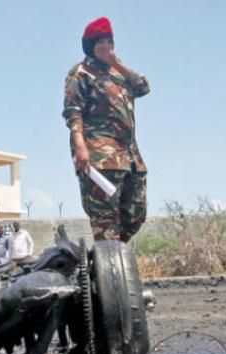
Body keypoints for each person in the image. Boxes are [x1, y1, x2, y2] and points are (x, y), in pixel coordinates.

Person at [63, 17, 150, 242]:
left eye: (110, 44)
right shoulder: (80, 73)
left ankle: (108, 262)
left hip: (130, 157)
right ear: (91, 48)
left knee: (135, 215)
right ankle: (109, 268)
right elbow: (73, 112)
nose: (106, 49)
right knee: (105, 220)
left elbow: (143, 87)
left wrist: (117, 63)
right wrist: (80, 147)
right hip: (99, 156)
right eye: (101, 46)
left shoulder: (119, 73)